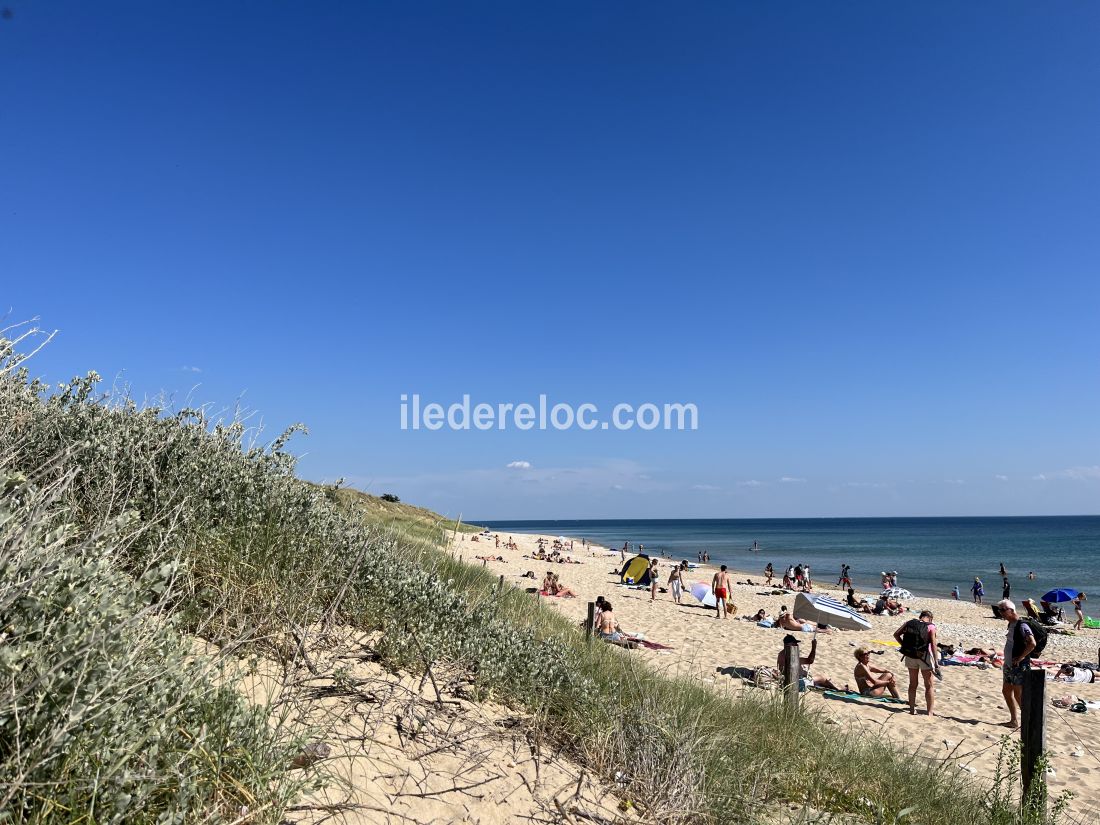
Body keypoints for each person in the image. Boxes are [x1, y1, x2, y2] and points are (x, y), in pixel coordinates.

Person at [998, 599, 1036, 728]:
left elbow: (1032, 643)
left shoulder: (1022, 625)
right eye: (1000, 610)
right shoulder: (1011, 624)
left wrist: (1020, 658)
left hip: (1019, 666)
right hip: (1009, 665)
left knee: (1018, 694)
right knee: (1006, 691)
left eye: (1003, 610)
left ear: (1012, 610)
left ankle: (1029, 720)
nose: (1001, 613)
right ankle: (1014, 720)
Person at [893, 610, 938, 717]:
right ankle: (930, 712)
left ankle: (912, 709)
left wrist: (904, 646)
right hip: (924, 657)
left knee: (913, 684)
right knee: (929, 685)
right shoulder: (931, 626)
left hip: (910, 656)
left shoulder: (909, 623)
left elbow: (896, 635)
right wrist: (936, 661)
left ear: (920, 616)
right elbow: (933, 645)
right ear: (930, 618)